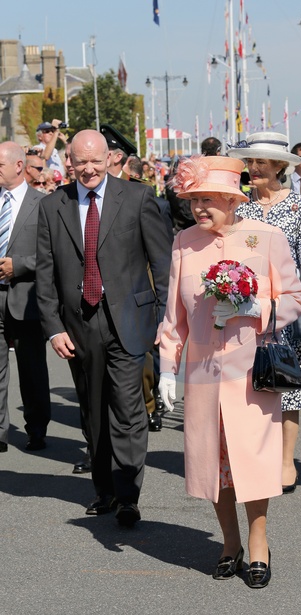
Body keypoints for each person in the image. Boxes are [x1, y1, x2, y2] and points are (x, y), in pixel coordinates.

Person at [157, 155, 301, 588]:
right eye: (193, 200)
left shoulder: (267, 236)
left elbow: (295, 298)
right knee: (213, 462)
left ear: (232, 199)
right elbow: (174, 317)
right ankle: (230, 542)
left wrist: (257, 307)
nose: (199, 208)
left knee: (252, 460)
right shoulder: (183, 242)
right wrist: (167, 369)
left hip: (250, 371)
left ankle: (259, 542)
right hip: (202, 372)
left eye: (208, 199)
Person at [36, 129, 172, 526]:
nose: (89, 169)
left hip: (129, 319)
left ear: (110, 159)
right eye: (81, 162)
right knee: (92, 411)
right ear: (70, 162)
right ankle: (105, 490)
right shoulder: (53, 205)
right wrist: (53, 328)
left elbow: (162, 263)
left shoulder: (138, 197)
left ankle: (128, 495)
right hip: (78, 325)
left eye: (96, 161)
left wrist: (165, 318)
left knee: (127, 409)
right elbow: (45, 273)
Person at [228, 131, 301, 492]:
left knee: (287, 386)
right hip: (246, 311)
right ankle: (254, 458)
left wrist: (275, 281)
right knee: (250, 388)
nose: (253, 168)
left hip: (287, 312)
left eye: (260, 162)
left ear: (279, 167)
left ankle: (285, 462)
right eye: (250, 161)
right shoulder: (239, 206)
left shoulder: (300, 206)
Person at [0, 142, 51, 453]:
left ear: (18, 166)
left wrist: (17, 266)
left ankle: (37, 428)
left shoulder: (42, 204)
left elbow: (51, 254)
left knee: (32, 369)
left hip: (26, 298)